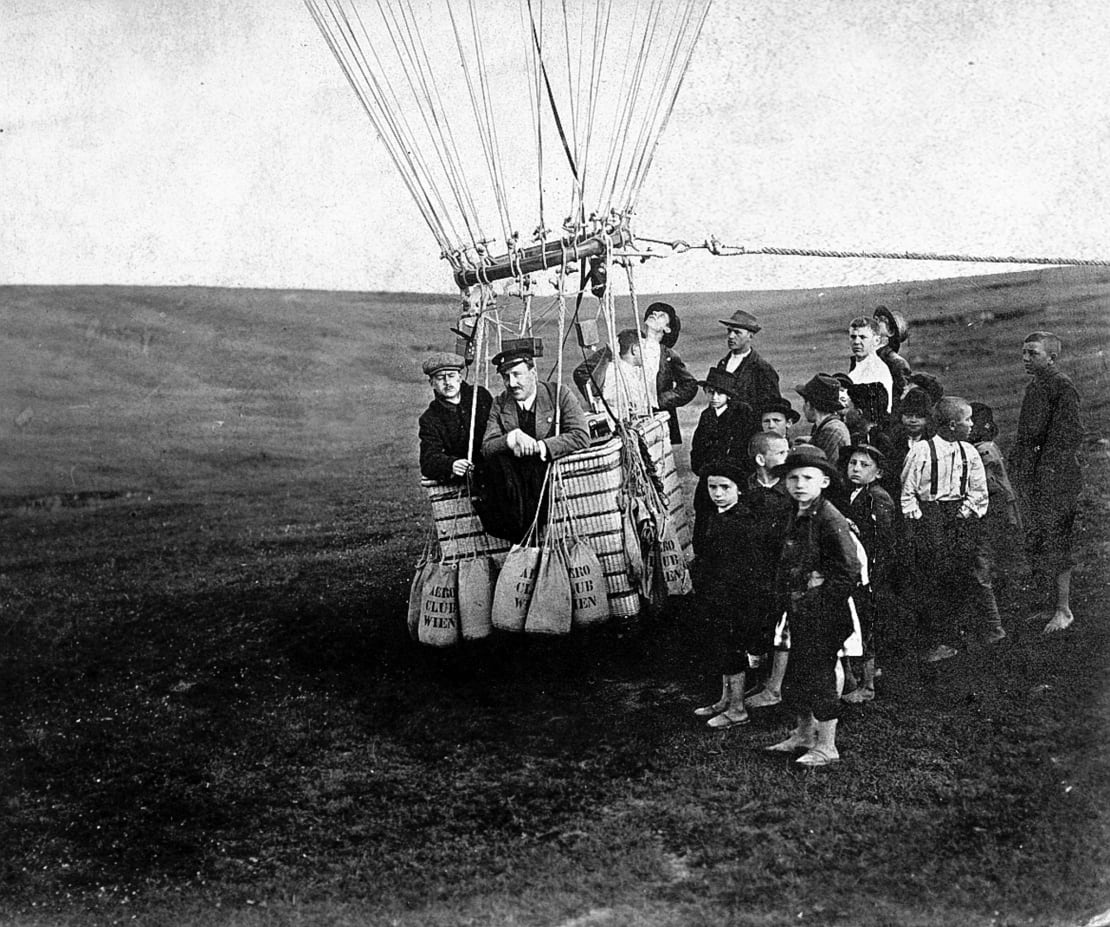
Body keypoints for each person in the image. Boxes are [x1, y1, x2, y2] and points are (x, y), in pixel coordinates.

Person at [762, 445, 861, 767]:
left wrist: (819, 599)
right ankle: (804, 734)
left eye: (807, 478)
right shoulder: (792, 514)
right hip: (795, 610)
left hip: (822, 614)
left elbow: (848, 571)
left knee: (819, 677)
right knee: (795, 676)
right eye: (793, 478)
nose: (799, 484)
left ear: (824, 482)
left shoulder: (829, 519)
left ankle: (827, 745)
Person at [901, 396, 1006, 661]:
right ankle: (932, 641)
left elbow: (978, 490)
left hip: (960, 519)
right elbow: (908, 489)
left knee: (961, 571)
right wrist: (918, 517)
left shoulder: (968, 452)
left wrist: (964, 512)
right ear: (950, 425)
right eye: (967, 420)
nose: (971, 425)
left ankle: (961, 630)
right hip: (930, 517)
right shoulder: (922, 451)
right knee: (931, 576)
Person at [691, 461, 777, 729]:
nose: (717, 493)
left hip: (737, 598)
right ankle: (725, 698)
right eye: (712, 487)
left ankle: (738, 707)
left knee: (733, 651)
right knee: (722, 648)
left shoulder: (741, 521)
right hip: (718, 595)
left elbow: (746, 567)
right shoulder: (718, 516)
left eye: (724, 487)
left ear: (739, 490)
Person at [1008, 331, 1083, 634]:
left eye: (1033, 353)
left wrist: (1045, 467)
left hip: (1056, 478)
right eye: (1024, 352)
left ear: (1051, 357)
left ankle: (1063, 610)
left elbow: (1071, 435)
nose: (1026, 359)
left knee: (1056, 541)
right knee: (1037, 540)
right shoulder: (1036, 386)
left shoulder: (1062, 388)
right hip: (1035, 477)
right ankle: (1047, 605)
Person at [477, 345, 590, 541]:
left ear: (533, 372)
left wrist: (540, 446)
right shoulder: (500, 403)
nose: (511, 383)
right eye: (506, 376)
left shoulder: (559, 394)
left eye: (517, 374)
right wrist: (512, 438)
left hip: (551, 480)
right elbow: (487, 447)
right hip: (516, 488)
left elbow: (580, 435)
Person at [573, 302, 697, 444]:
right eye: (653, 312)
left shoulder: (668, 355)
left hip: (654, 423)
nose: (655, 313)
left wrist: (660, 400)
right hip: (621, 420)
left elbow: (690, 385)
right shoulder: (627, 342)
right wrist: (599, 402)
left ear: (667, 329)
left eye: (661, 315)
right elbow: (581, 372)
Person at [738, 431, 793, 711]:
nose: (787, 458)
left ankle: (776, 684)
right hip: (753, 571)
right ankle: (758, 678)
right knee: (755, 625)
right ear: (761, 459)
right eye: (781, 453)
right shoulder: (746, 491)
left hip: (780, 571)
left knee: (779, 625)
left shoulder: (789, 491)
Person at [838, 443, 896, 703]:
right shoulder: (853, 493)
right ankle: (855, 678)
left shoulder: (877, 497)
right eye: (853, 464)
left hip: (872, 573)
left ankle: (869, 685)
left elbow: (882, 540)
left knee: (867, 625)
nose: (856, 469)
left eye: (864, 465)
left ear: (878, 473)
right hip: (857, 571)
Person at [690, 368, 758, 557]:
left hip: (734, 479)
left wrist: (738, 472)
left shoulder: (742, 413)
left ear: (728, 395)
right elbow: (697, 450)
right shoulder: (706, 416)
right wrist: (703, 469)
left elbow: (747, 448)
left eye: (720, 393)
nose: (714, 397)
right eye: (710, 392)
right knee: (704, 525)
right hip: (709, 478)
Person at [969, 401, 1027, 597]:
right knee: (997, 543)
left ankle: (997, 585)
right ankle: (1001, 581)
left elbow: (989, 481)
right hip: (1002, 499)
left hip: (995, 502)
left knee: (990, 544)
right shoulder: (988, 446)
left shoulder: (983, 450)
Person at [417, 352, 493, 482]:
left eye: (451, 376)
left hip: (493, 466)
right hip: (466, 478)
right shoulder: (430, 419)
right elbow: (428, 460)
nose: (447, 382)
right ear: (432, 383)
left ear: (460, 377)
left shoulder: (480, 397)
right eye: (440, 378)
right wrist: (451, 464)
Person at [715, 309, 782, 408]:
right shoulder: (722, 363)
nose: (731, 336)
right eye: (729, 331)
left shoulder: (762, 368)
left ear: (750, 336)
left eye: (737, 332)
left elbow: (773, 407)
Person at [797, 374, 851, 469]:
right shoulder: (829, 425)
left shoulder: (831, 430)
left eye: (804, 403)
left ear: (809, 405)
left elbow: (824, 468)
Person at [598, 328, 651, 424]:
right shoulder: (615, 371)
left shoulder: (633, 371)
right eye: (645, 349)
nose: (648, 354)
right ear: (635, 349)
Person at [846, 317, 893, 414]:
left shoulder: (876, 369)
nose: (856, 342)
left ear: (876, 341)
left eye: (863, 337)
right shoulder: (858, 366)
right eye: (853, 337)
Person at [872, 305, 912, 410]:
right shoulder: (867, 355)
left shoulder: (897, 363)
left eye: (881, 320)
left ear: (890, 332)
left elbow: (901, 399)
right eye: (876, 319)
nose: (874, 323)